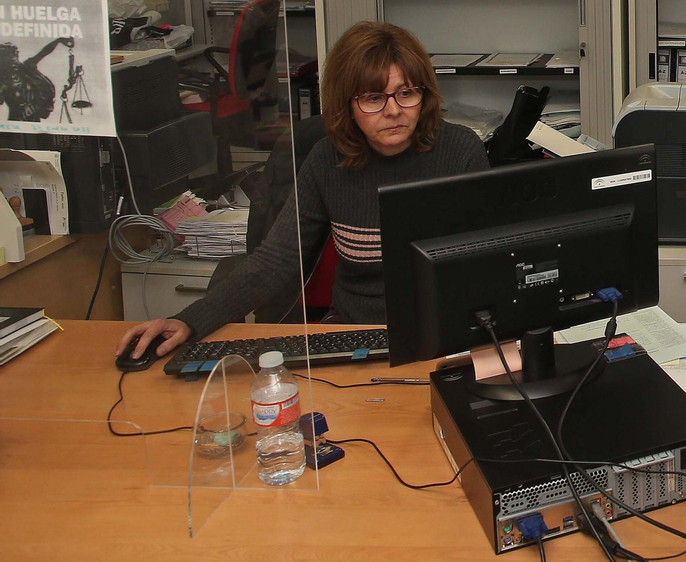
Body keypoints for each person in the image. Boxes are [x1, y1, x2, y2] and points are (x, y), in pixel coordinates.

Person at [117, 22, 489, 361]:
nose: (393, 111)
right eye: (373, 98)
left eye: (406, 93)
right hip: (356, 336)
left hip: (445, 339)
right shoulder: (328, 160)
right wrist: (189, 321)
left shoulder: (460, 152)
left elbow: (490, 264)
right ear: (348, 105)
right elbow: (277, 259)